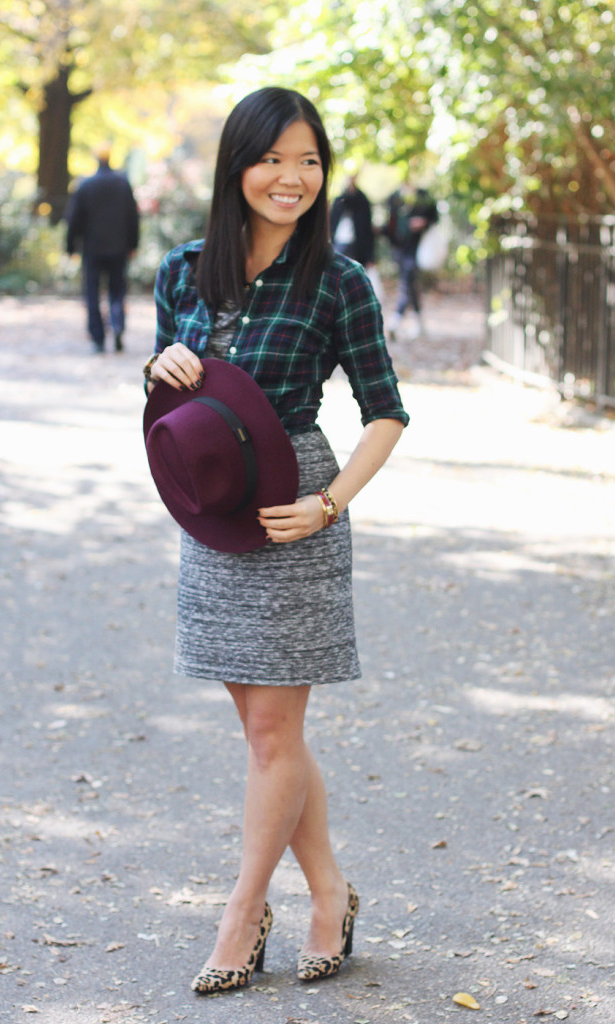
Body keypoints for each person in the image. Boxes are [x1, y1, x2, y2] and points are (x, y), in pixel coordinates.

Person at [142, 87, 409, 995]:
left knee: (271, 732)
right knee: (269, 736)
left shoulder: (338, 283)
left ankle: (241, 914)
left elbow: (386, 413)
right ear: (236, 166)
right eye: (273, 159)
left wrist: (328, 503)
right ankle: (331, 893)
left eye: (308, 161)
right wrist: (158, 367)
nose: (291, 178)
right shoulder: (182, 270)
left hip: (296, 507)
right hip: (211, 505)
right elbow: (167, 395)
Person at [65, 143, 139, 353]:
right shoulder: (122, 183)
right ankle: (117, 327)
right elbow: (133, 217)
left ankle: (97, 337)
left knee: (92, 293)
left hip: (93, 249)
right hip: (119, 248)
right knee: (117, 290)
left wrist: (71, 246)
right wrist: (133, 244)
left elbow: (74, 218)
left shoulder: (86, 184)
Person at [385, 182, 439, 337]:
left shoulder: (423, 195)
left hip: (417, 247)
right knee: (409, 284)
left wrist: (423, 222)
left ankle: (396, 319)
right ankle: (418, 321)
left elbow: (434, 218)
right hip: (400, 249)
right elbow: (391, 223)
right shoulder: (395, 197)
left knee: (407, 281)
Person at [329, 165, 375, 268]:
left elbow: (367, 229)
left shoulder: (362, 201)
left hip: (357, 245)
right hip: (339, 242)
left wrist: (370, 256)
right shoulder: (339, 200)